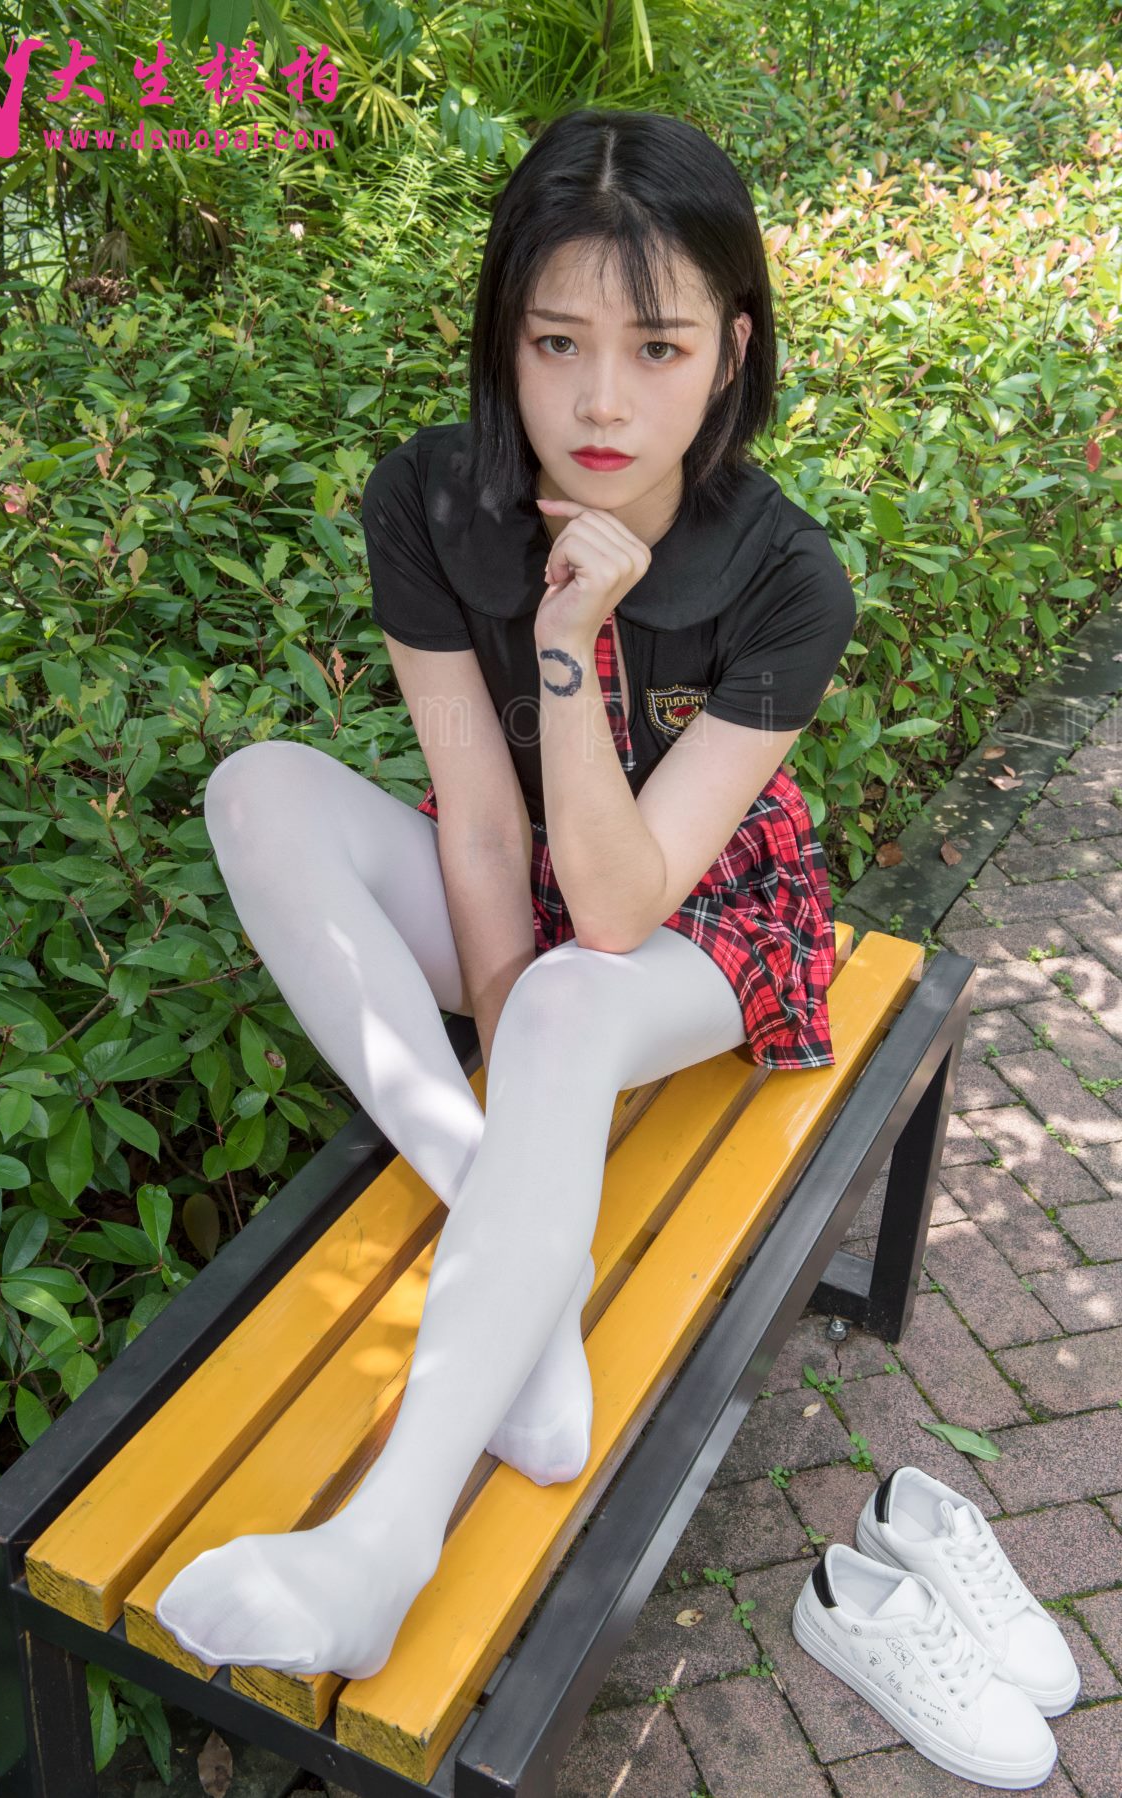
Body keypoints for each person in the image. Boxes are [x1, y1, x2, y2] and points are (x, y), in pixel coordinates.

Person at [154, 106, 858, 1681]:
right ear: (505, 335)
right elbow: (478, 824)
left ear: (732, 353)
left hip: (699, 908)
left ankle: (384, 1544)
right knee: (258, 789)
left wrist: (567, 635)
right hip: (532, 876)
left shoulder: (787, 578)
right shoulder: (429, 499)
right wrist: (516, 1126)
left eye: (659, 348)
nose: (602, 401)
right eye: (557, 342)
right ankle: (521, 1291)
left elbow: (616, 910)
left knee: (568, 993)